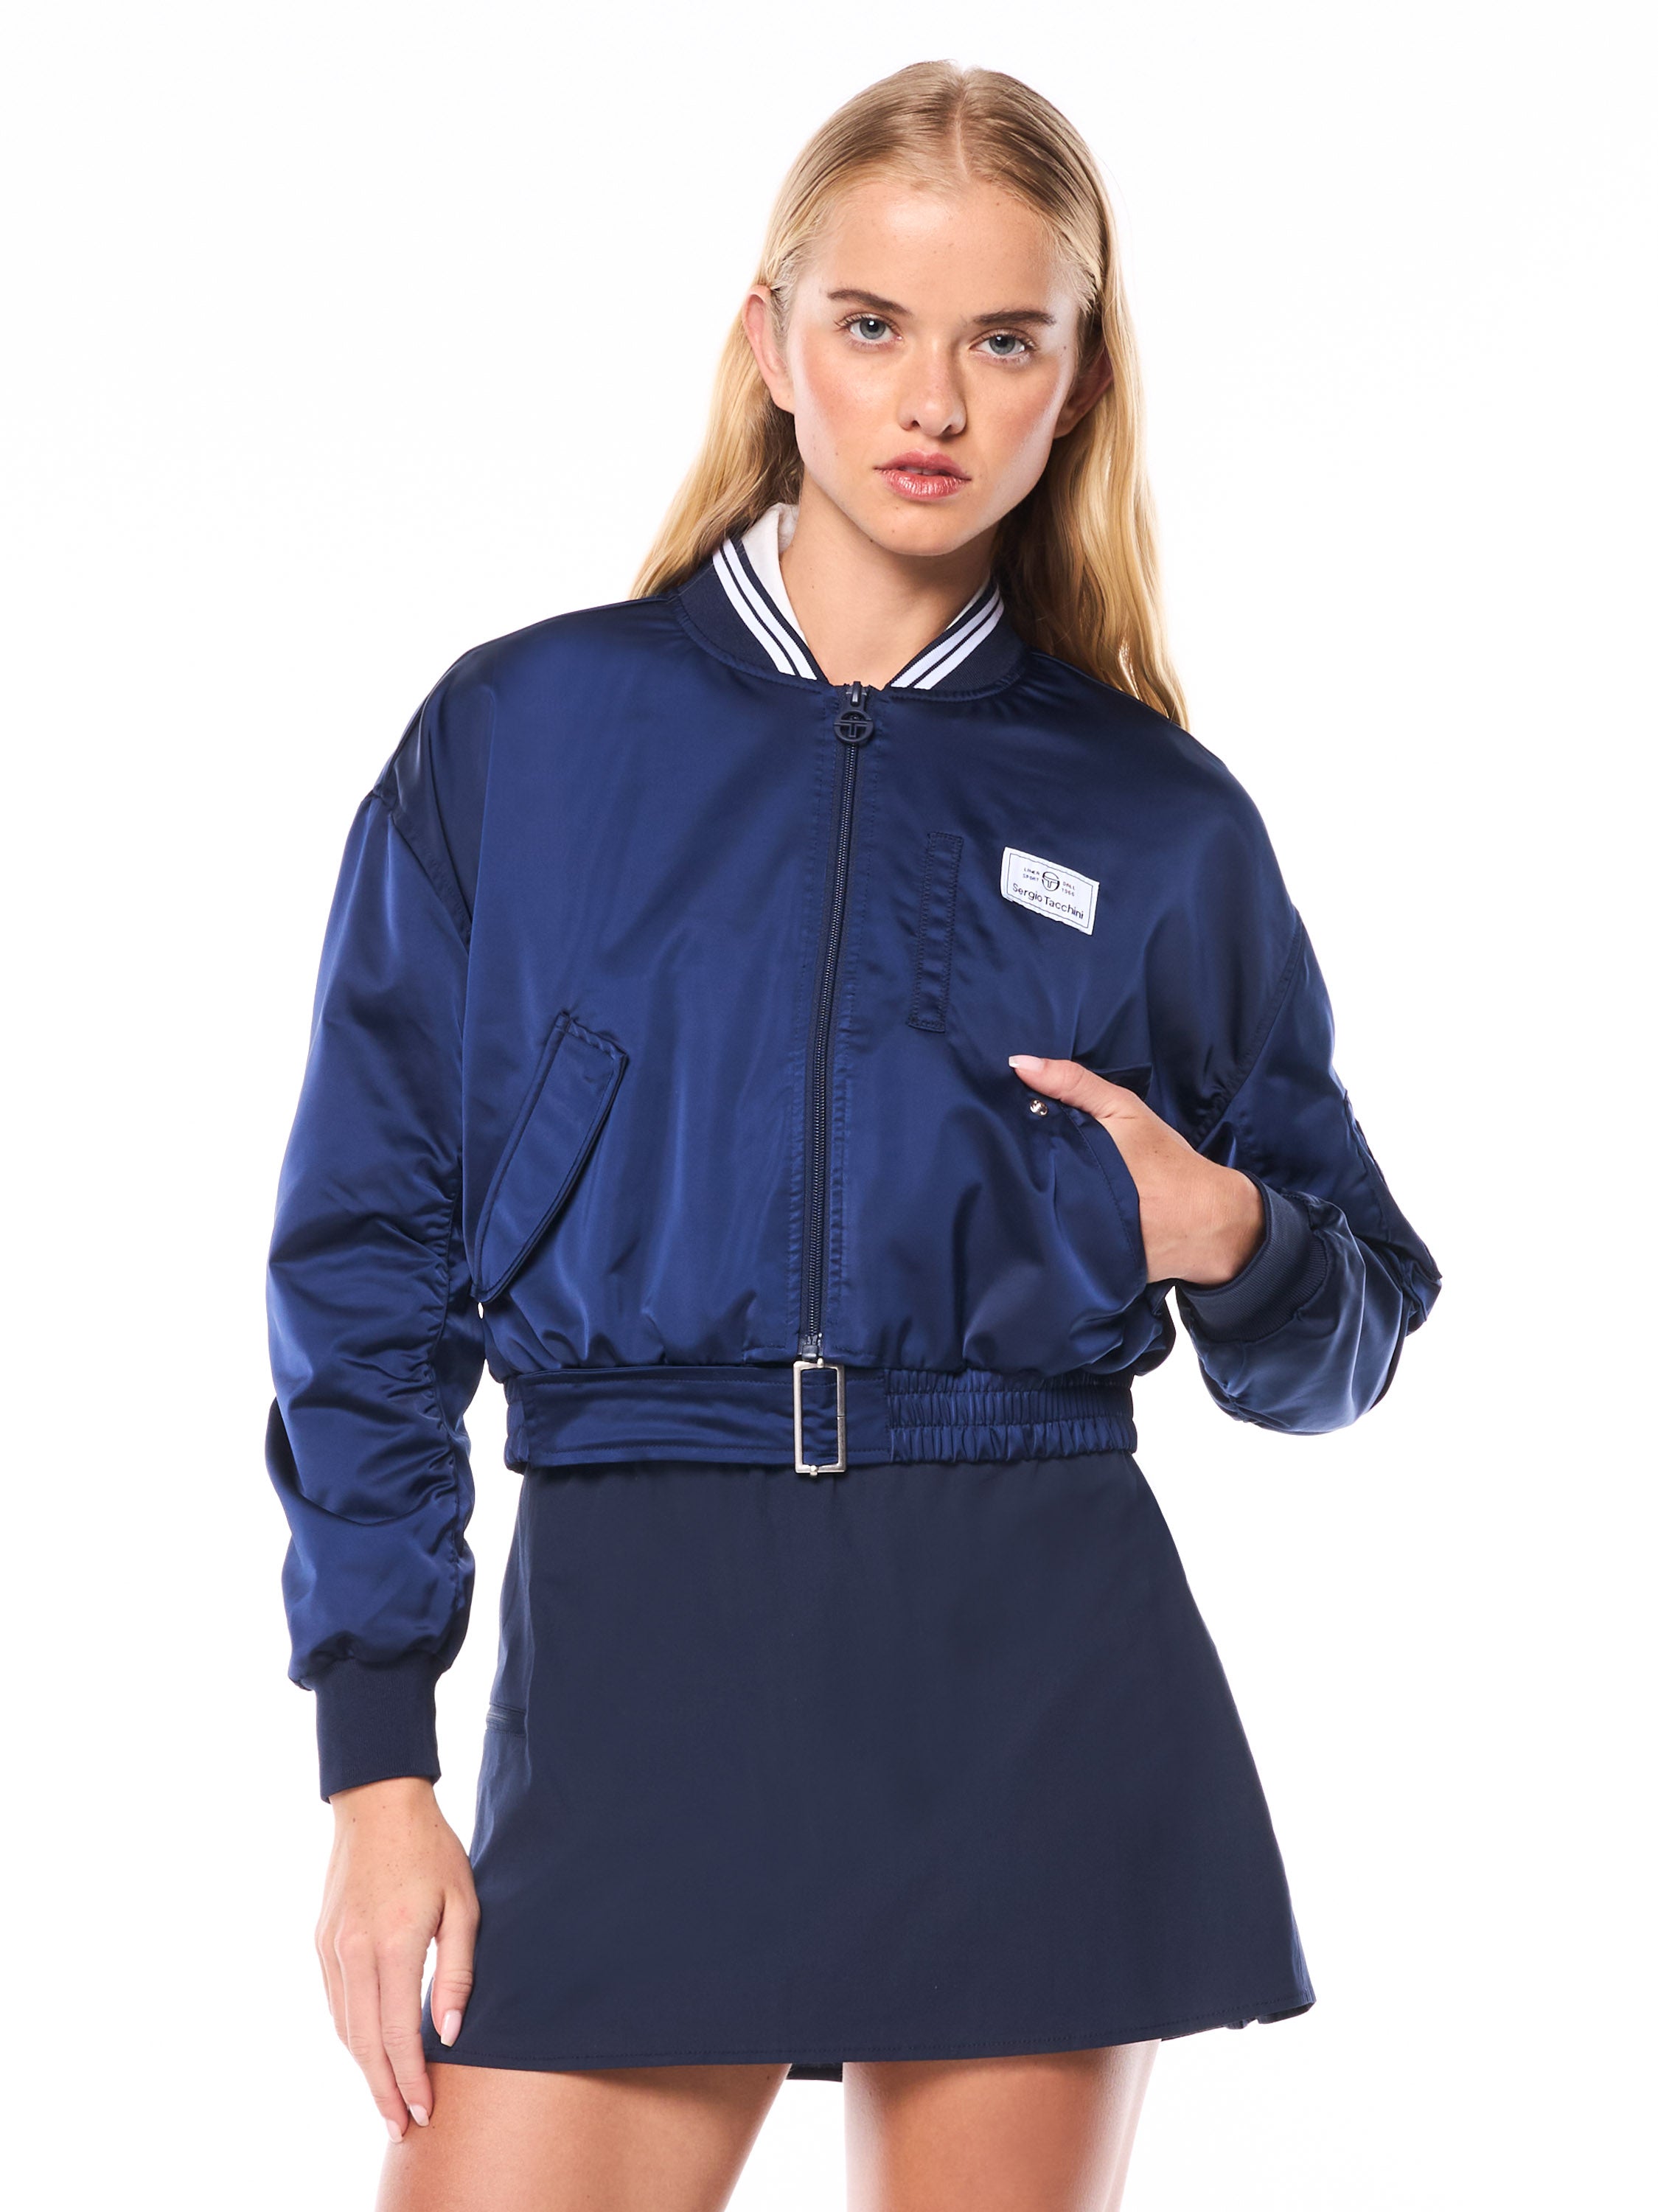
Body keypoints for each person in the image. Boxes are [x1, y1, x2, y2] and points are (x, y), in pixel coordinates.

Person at [264, 60, 1440, 2212]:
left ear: (1078, 385)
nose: (934, 398)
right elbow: (362, 1262)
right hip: (643, 1645)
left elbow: (1349, 1321)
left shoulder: (1154, 815)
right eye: (875, 325)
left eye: (1006, 339)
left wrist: (1227, 1231)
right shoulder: (526, 737)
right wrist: (376, 1764)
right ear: (771, 340)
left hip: (1027, 1655)